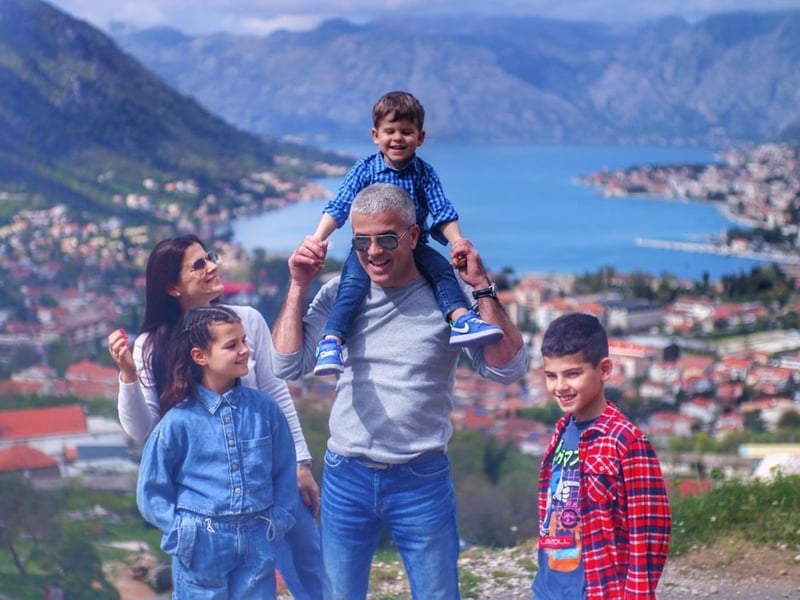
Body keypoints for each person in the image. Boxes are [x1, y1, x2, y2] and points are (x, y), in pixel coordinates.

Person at [271, 182, 528, 599]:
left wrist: (481, 286)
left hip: (421, 478)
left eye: (387, 238)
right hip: (346, 475)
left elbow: (508, 369)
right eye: (361, 240)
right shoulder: (341, 294)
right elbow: (286, 364)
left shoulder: (450, 299)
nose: (373, 252)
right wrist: (299, 285)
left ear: (412, 236)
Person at [107, 234, 326, 599]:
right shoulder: (151, 344)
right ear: (172, 287)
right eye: (198, 265)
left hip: (269, 475)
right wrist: (128, 376)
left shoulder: (247, 321)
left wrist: (301, 462)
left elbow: (275, 393)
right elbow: (143, 430)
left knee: (309, 566)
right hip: (207, 501)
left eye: (209, 257)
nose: (212, 267)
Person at [308, 90, 502, 376]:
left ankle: (460, 320)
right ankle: (331, 342)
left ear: (420, 138)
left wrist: (458, 242)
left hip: (413, 243)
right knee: (350, 285)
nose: (398, 138)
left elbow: (441, 210)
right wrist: (316, 239)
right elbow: (339, 205)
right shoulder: (364, 169)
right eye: (390, 131)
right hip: (368, 245)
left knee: (441, 272)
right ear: (375, 135)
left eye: (406, 131)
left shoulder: (424, 173)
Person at [137, 305, 297, 599]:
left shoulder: (265, 411)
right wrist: (181, 535)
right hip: (201, 544)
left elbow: (285, 471)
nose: (245, 350)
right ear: (200, 356)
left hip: (258, 538)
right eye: (231, 345)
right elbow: (151, 491)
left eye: (244, 341)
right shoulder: (177, 422)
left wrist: (279, 520)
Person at [531, 313, 671, 599]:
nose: (560, 386)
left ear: (604, 369)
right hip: (549, 589)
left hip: (599, 591)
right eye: (551, 375)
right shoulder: (560, 431)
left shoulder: (627, 442)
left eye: (573, 374)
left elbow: (649, 536)